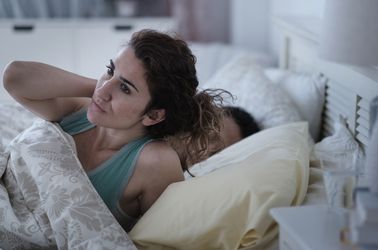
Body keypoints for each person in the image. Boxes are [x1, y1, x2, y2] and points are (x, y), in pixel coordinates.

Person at [3, 29, 226, 231]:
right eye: (110, 70)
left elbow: (165, 239)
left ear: (154, 115)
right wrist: (100, 88)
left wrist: (107, 87)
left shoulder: (156, 161)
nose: (104, 89)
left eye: (125, 88)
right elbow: (14, 76)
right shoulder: (79, 112)